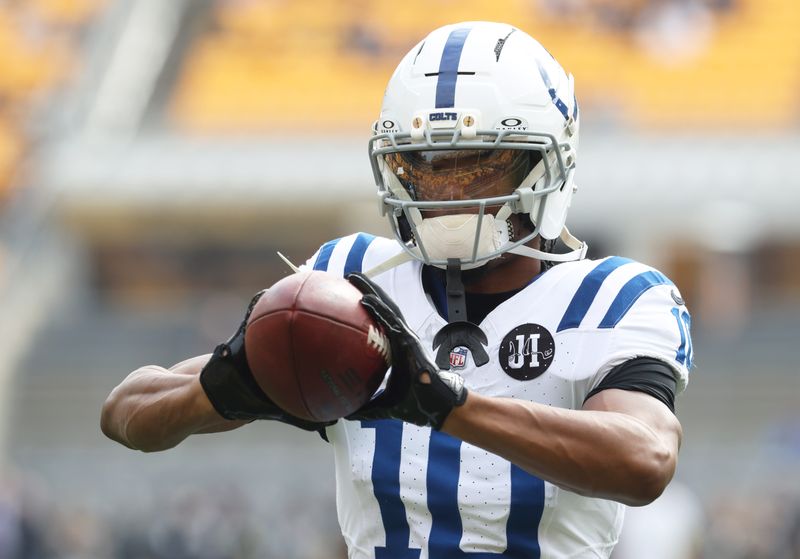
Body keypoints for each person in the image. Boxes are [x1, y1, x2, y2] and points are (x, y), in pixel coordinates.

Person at [101, 21, 693, 558]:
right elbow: (126, 414)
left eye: (478, 165)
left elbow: (644, 461)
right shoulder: (351, 280)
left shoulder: (616, 295)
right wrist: (230, 383)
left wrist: (447, 406)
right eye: (425, 167)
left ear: (550, 163)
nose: (449, 193)